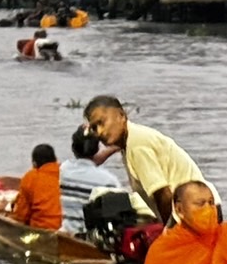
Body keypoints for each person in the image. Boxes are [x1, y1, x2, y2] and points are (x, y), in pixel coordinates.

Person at [82, 95, 209, 226]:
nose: (100, 132)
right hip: (196, 211)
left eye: (102, 123)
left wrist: (170, 236)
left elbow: (163, 195)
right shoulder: (130, 141)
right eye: (94, 128)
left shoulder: (137, 145)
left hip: (197, 215)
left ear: (121, 115)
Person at [60, 127, 132, 231]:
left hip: (66, 233)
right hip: (92, 238)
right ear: (97, 148)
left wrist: (112, 148)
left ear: (73, 148)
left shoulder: (63, 170)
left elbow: (86, 163)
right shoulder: (109, 181)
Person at [9, 143, 63, 231]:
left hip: (40, 230)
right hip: (66, 229)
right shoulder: (66, 173)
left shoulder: (31, 177)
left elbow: (21, 216)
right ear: (55, 160)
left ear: (34, 164)